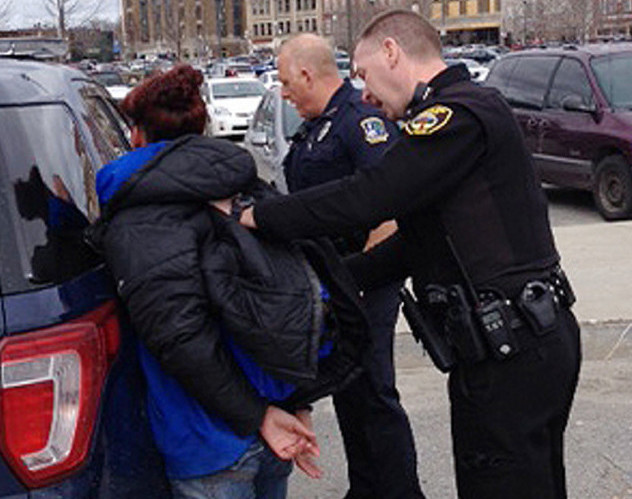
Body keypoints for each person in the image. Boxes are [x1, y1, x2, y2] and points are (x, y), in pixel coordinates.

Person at [239, 10, 581, 499]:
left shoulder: (455, 117)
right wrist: (335, 281)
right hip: (517, 344)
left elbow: (369, 195)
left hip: (511, 351)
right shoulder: (468, 112)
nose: (365, 95)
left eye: (361, 74)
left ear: (391, 53)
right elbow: (420, 244)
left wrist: (260, 218)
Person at [87, 64, 370, 498]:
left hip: (211, 442)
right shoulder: (245, 188)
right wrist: (295, 400)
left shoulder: (138, 221)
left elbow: (180, 336)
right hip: (276, 419)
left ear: (138, 135)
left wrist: (262, 415)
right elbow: (297, 295)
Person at [276, 34, 423, 499]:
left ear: (305, 74)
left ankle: (400, 492)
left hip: (365, 280)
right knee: (348, 388)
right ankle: (367, 488)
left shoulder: (359, 123)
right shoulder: (317, 127)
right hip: (336, 283)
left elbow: (390, 205)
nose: (282, 92)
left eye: (284, 82)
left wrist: (359, 278)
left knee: (374, 389)